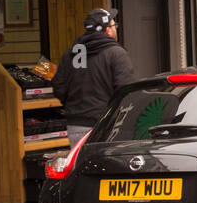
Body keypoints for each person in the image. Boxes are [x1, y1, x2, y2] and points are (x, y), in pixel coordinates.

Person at [53, 8, 136, 144]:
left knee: (80, 164)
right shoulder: (116, 53)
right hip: (105, 126)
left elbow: (59, 87)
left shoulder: (71, 53)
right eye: (114, 25)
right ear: (107, 30)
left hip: (76, 125)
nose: (116, 29)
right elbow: (127, 91)